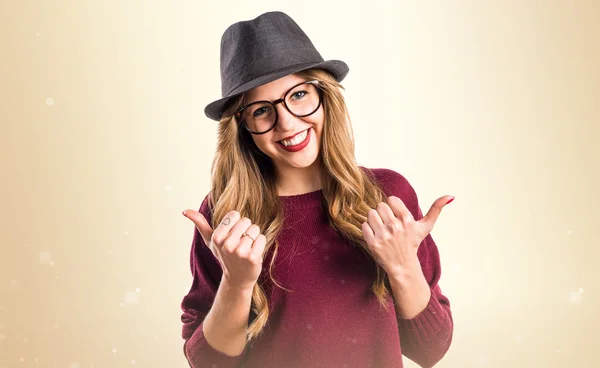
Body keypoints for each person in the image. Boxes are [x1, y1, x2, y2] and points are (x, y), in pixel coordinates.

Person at [180, 11, 454, 368]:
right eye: (262, 110)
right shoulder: (227, 216)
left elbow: (430, 350)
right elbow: (208, 364)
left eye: (298, 94)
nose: (287, 122)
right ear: (242, 126)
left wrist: (402, 265)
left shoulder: (389, 196)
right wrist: (235, 282)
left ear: (324, 96)